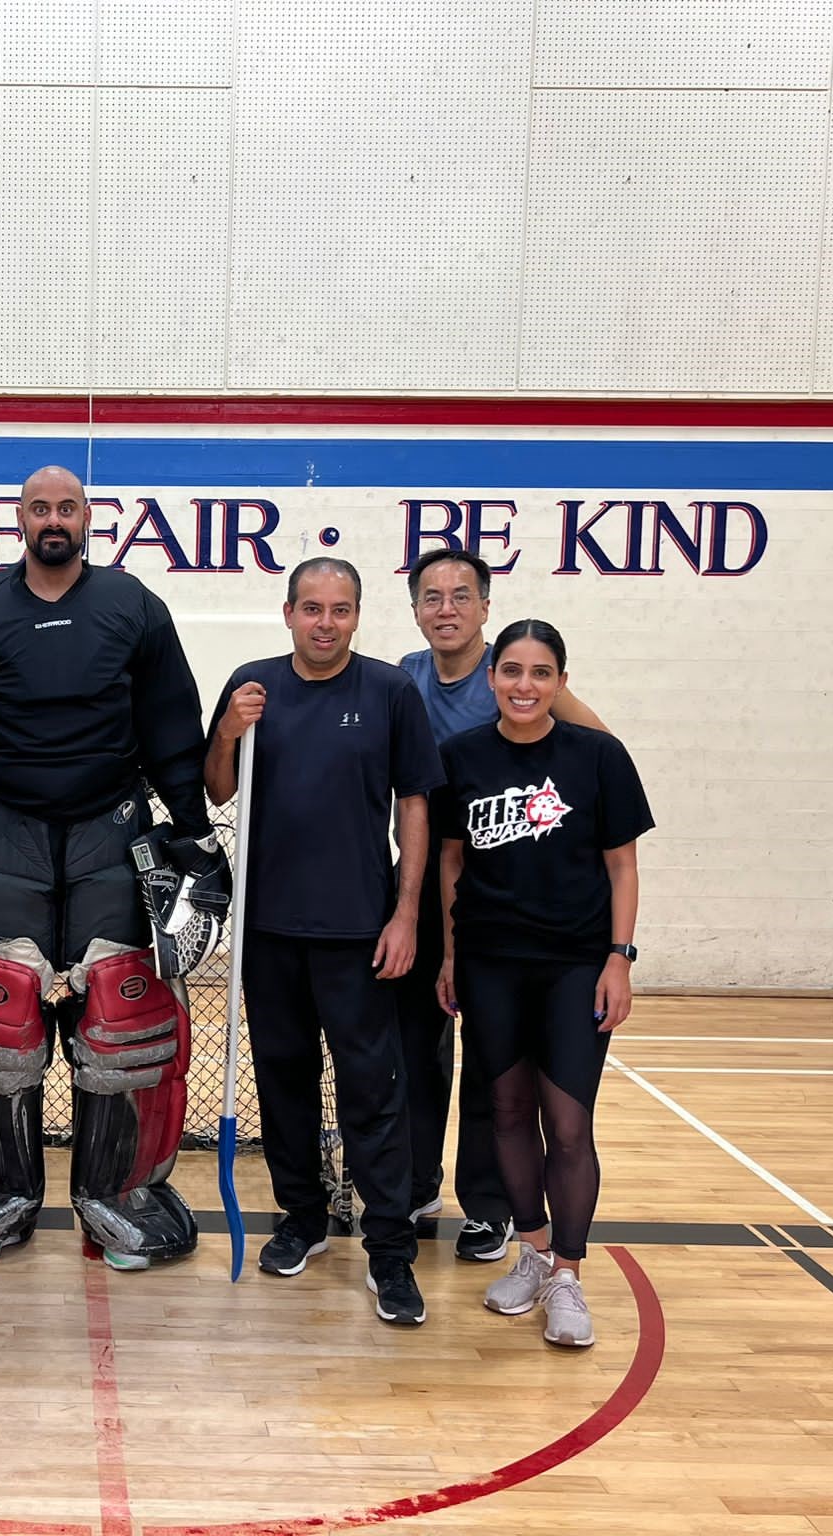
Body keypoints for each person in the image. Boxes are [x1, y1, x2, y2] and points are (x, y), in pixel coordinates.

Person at [0, 464, 222, 1271]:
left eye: (67, 508)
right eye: (39, 508)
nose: (54, 519)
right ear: (19, 520)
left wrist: (190, 830)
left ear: (88, 518)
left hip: (109, 828)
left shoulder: (133, 606)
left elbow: (171, 723)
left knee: (125, 1019)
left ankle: (121, 1198)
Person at [204, 558, 438, 1325]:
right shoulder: (252, 685)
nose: (325, 622)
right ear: (288, 612)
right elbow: (216, 788)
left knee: (375, 1094)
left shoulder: (391, 693)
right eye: (312, 608)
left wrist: (406, 914)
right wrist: (230, 730)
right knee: (285, 1086)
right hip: (268, 931)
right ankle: (301, 1221)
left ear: (358, 615)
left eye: (340, 609)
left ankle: (390, 1254)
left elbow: (414, 807)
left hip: (361, 934)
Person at [434, 619, 653, 1348]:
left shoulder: (598, 758)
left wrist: (619, 957)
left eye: (540, 672)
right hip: (492, 960)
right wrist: (451, 955)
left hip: (575, 964)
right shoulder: (461, 757)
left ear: (561, 680)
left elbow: (622, 866)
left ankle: (569, 1274)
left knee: (566, 1123)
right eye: (511, 671)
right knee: (504, 1109)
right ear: (491, 677)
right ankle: (530, 1250)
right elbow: (452, 864)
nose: (524, 685)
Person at [394, 547, 608, 1264]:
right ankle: (416, 1185)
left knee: (497, 1067)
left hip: (504, 905)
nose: (446, 607)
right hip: (427, 886)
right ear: (418, 608)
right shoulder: (405, 677)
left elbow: (596, 755)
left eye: (461, 595)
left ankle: (488, 1207)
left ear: (486, 606)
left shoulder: (514, 675)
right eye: (432, 596)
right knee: (417, 1050)